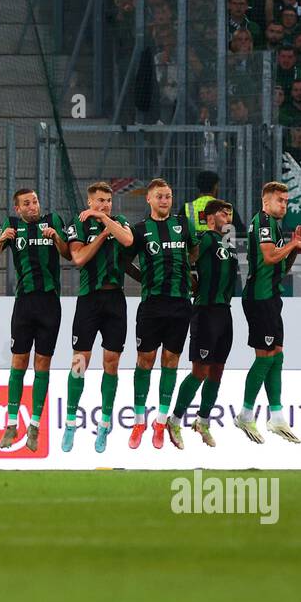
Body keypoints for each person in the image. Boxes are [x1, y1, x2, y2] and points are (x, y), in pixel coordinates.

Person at [0, 187, 69, 452]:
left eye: (35, 201)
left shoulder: (52, 221)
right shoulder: (11, 226)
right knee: (19, 361)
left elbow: (68, 254)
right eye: (27, 203)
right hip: (24, 302)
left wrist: (57, 237)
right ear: (18, 209)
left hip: (49, 302)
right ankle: (11, 424)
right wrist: (1, 241)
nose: (33, 206)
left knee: (42, 363)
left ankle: (34, 425)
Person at [60, 181, 136, 453]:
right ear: (89, 202)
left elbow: (128, 240)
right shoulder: (79, 223)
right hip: (89, 299)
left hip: (115, 299)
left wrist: (105, 220)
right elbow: (78, 258)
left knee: (111, 363)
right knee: (80, 361)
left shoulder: (118, 221)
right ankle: (70, 421)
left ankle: (104, 425)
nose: (105, 205)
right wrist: (103, 234)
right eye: (100, 201)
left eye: (108, 201)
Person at [123, 178, 197, 450]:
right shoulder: (140, 230)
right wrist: (143, 279)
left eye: (168, 196)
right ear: (149, 200)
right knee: (145, 360)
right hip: (152, 305)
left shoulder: (183, 225)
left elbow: (194, 252)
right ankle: (139, 421)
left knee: (171, 360)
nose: (164, 200)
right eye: (159, 196)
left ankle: (161, 422)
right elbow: (124, 262)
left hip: (180, 304)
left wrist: (192, 277)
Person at [237, 181, 301, 444]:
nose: (284, 205)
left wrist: (294, 251)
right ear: (266, 202)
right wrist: (292, 244)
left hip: (271, 297)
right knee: (265, 356)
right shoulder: (263, 220)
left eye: (287, 201)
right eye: (280, 200)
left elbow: (280, 267)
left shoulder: (274, 225)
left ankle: (276, 417)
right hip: (258, 297)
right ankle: (245, 413)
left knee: (277, 354)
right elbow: (268, 257)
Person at [165, 200, 238, 447]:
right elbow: (186, 260)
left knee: (217, 370)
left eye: (229, 212)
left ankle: (203, 421)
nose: (227, 215)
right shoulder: (206, 239)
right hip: (205, 311)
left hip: (225, 312)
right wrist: (193, 285)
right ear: (209, 217)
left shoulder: (227, 242)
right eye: (222, 212)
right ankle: (174, 420)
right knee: (200, 371)